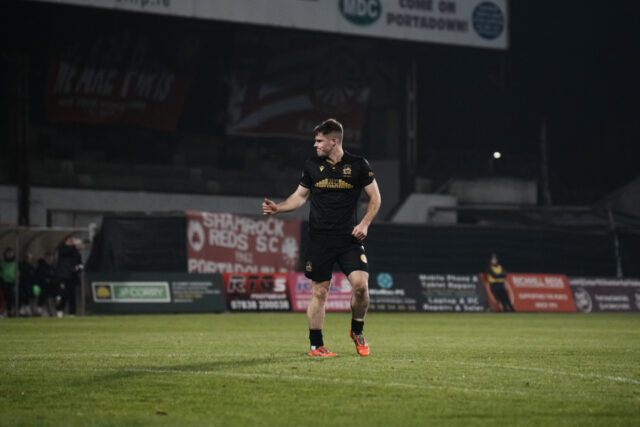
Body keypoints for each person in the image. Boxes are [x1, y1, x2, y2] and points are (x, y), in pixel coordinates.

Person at [262, 118, 381, 357]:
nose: (315, 145)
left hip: (349, 240)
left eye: (319, 141)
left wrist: (365, 224)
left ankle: (357, 331)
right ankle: (316, 346)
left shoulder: (358, 165)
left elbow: (375, 198)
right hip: (320, 240)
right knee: (320, 292)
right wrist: (279, 208)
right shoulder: (312, 165)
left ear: (333, 141)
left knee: (361, 287)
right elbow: (299, 197)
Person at [55, 236, 83, 318]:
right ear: (66, 241)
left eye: (73, 241)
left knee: (72, 295)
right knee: (64, 293)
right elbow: (66, 251)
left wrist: (79, 267)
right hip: (63, 276)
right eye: (71, 240)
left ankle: (72, 313)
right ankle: (60, 310)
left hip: (72, 276)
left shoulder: (75, 251)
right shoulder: (62, 248)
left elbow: (79, 262)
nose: (72, 242)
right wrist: (76, 246)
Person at [36, 252, 58, 316]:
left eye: (50, 258)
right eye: (48, 258)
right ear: (45, 258)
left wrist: (52, 281)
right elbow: (38, 277)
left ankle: (56, 312)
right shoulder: (41, 267)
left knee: (56, 297)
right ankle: (39, 311)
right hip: (43, 287)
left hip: (52, 287)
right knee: (43, 297)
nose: (49, 260)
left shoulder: (53, 268)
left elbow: (56, 278)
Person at [18, 252, 38, 316]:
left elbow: (34, 278)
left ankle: (24, 310)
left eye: (29, 258)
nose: (28, 259)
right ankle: (24, 310)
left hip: (30, 286)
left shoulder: (32, 268)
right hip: (21, 285)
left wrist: (35, 286)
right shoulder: (20, 266)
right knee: (22, 295)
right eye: (27, 258)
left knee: (30, 294)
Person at [1, 247, 17, 318]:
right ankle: (4, 311)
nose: (9, 254)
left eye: (11, 253)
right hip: (3, 282)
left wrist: (15, 279)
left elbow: (17, 272)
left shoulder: (15, 263)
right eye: (8, 253)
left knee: (12, 296)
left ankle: (9, 311)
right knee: (5, 296)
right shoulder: (2, 263)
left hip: (12, 282)